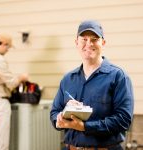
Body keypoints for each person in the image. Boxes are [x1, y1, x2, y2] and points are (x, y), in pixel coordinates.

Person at [50, 20, 134, 150]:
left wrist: (84, 126)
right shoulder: (67, 79)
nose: (89, 44)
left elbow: (123, 120)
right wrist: (60, 118)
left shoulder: (118, 77)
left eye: (94, 39)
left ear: (103, 43)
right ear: (76, 43)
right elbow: (54, 113)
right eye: (84, 39)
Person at [0, 34, 28, 150]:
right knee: (0, 143)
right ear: (4, 45)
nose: (7, 50)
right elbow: (11, 83)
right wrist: (21, 78)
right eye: (8, 48)